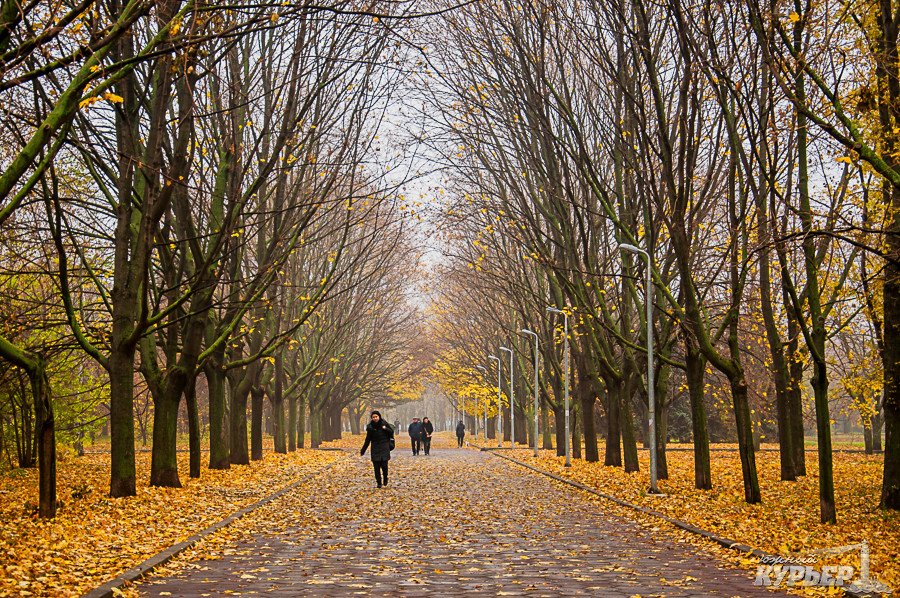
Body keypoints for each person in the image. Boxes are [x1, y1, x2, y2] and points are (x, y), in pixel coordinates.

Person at [360, 410, 394, 488]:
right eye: (373, 417)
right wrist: (363, 450)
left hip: (384, 448)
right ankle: (378, 482)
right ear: (371, 418)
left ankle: (385, 478)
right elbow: (367, 439)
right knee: (376, 467)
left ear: (379, 417)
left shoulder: (384, 424)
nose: (375, 418)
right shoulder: (370, 427)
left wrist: (385, 428)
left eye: (376, 417)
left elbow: (391, 432)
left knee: (384, 466)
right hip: (375, 448)